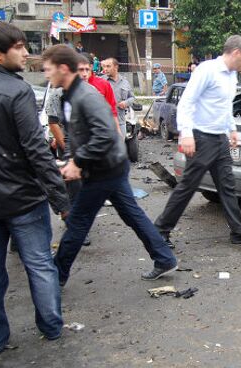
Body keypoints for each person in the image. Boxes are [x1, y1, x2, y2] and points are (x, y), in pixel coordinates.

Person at [0, 21, 70, 355]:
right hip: (23, 200)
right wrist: (60, 200)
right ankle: (51, 328)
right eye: (20, 47)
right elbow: (37, 151)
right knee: (39, 265)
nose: (27, 53)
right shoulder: (17, 91)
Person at [41, 45, 178, 286]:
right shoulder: (69, 95)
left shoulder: (86, 95)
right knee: (132, 215)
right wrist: (72, 159)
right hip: (109, 166)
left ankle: (56, 275)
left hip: (104, 169)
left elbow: (105, 136)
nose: (45, 74)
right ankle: (164, 257)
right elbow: (77, 133)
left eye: (48, 69)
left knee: (78, 222)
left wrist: (79, 161)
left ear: (63, 68)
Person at [154, 35, 241, 247]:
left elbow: (224, 107)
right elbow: (187, 102)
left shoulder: (232, 75)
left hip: (220, 139)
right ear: (235, 53)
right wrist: (186, 133)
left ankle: (239, 232)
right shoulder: (207, 70)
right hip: (201, 138)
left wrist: (231, 130)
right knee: (188, 186)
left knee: (227, 186)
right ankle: (160, 231)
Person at [102, 57, 135, 137]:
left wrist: (126, 103)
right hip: (104, 122)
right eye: (104, 66)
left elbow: (132, 98)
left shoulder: (125, 82)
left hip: (120, 122)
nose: (105, 69)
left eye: (108, 66)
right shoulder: (101, 81)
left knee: (120, 147)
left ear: (116, 67)